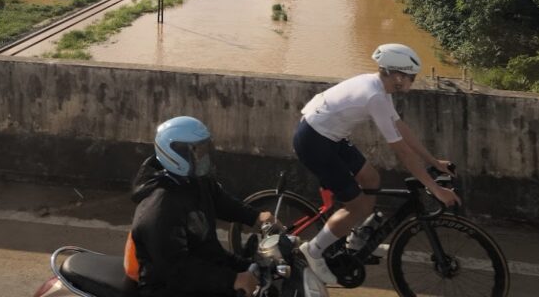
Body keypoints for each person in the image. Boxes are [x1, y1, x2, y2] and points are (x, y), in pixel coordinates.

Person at [293, 43, 461, 284]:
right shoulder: (375, 96)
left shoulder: (380, 88)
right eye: (411, 77)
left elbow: (400, 127)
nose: (412, 82)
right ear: (398, 76)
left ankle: (354, 231)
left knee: (371, 179)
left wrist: (433, 161)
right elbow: (401, 150)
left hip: (331, 135)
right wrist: (435, 189)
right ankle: (313, 250)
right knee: (357, 205)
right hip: (314, 141)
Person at [130, 115, 273, 297]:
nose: (204, 156)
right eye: (197, 151)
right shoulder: (160, 208)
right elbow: (176, 269)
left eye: (205, 149)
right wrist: (232, 279)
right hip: (168, 288)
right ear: (177, 153)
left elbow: (220, 201)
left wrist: (256, 217)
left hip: (205, 266)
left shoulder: (194, 181)